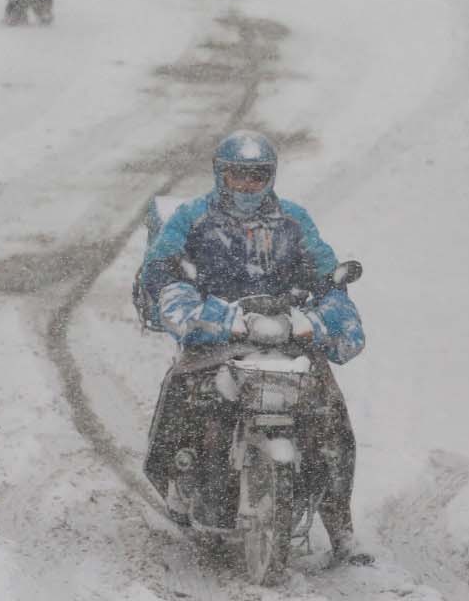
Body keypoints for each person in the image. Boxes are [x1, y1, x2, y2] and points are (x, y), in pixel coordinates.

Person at [138, 131, 372, 565]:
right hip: (218, 336)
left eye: (256, 176)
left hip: (287, 335)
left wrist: (330, 315)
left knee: (330, 417)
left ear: (271, 177)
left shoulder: (294, 221)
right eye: (238, 176)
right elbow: (161, 271)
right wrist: (191, 310)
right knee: (187, 396)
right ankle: (181, 475)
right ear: (220, 174)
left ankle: (340, 525)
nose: (247, 185)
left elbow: (325, 276)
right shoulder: (192, 218)